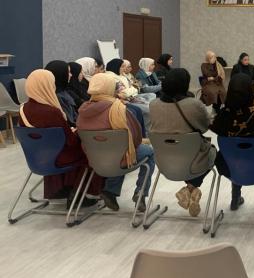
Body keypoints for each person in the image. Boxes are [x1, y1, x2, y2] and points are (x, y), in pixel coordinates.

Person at [18, 70, 103, 207]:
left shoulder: (23, 109)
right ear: (45, 86)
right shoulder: (52, 112)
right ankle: (78, 194)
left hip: (37, 157)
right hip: (58, 158)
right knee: (90, 153)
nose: (53, 86)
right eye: (51, 83)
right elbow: (70, 142)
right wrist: (76, 131)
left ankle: (60, 190)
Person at [76, 73, 155, 212]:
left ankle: (110, 192)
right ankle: (140, 193)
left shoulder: (82, 111)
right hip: (118, 157)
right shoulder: (119, 109)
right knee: (147, 152)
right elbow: (135, 139)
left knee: (117, 149)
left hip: (94, 159)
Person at [211, 74, 254, 211]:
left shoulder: (222, 118)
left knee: (235, 156)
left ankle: (235, 199)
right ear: (251, 91)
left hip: (231, 168)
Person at [149, 68, 215, 217]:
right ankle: (191, 187)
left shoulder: (153, 105)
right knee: (212, 152)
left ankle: (189, 189)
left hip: (165, 163)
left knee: (192, 153)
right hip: (193, 160)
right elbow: (204, 127)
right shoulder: (194, 104)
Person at [105, 58, 153, 135]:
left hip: (130, 98)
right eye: (122, 67)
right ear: (116, 67)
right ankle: (145, 133)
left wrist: (133, 89)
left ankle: (145, 132)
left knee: (150, 102)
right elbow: (124, 93)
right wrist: (133, 89)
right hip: (122, 101)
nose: (124, 69)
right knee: (147, 109)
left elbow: (135, 86)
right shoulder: (112, 77)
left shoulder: (122, 75)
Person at [45, 60, 78, 126]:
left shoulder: (63, 92)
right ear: (61, 74)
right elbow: (70, 121)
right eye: (68, 72)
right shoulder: (57, 97)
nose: (71, 75)